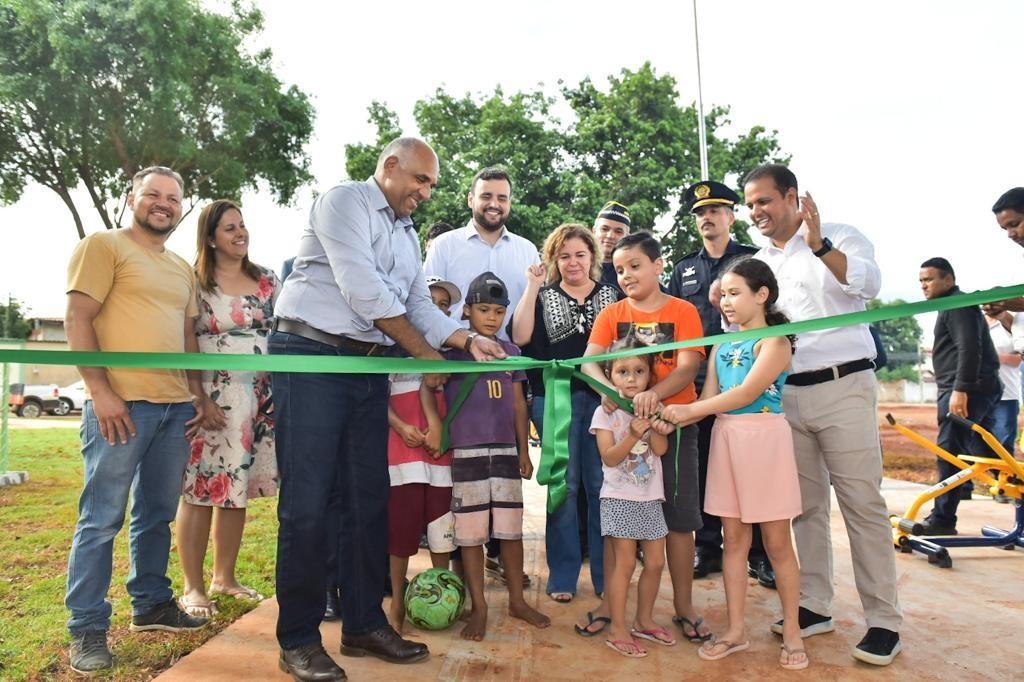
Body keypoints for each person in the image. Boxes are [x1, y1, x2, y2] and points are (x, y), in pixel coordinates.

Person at [268, 137, 507, 681]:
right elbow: (365, 293)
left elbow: (417, 301)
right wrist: (426, 358)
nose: (425, 193)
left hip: (366, 366)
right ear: (390, 166)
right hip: (311, 355)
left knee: (366, 498)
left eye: (431, 185)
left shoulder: (403, 232)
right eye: (420, 180)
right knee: (307, 504)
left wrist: (465, 342)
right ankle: (299, 638)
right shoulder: (344, 202)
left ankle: (362, 622)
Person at [745, 163, 902, 665]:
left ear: (792, 196)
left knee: (862, 505)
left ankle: (883, 620)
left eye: (764, 201)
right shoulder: (759, 261)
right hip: (787, 393)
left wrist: (818, 247)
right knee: (804, 505)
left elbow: (869, 285)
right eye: (751, 205)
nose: (757, 212)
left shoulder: (839, 236)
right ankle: (814, 604)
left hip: (844, 385)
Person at [63, 166, 215, 674]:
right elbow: (78, 318)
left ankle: (151, 604)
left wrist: (195, 393)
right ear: (132, 198)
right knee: (102, 520)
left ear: (181, 208)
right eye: (153, 194)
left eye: (173, 198)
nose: (163, 203)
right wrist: (99, 389)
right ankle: (86, 628)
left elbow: (188, 336)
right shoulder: (102, 246)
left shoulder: (180, 268)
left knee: (156, 515)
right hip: (120, 408)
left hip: (174, 411)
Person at [659, 257, 807, 670]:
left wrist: (687, 413)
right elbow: (706, 397)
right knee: (734, 540)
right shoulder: (722, 343)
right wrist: (670, 414)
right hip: (727, 440)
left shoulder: (776, 342)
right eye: (722, 294)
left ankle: (793, 632)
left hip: (764, 443)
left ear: (762, 295)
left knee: (777, 544)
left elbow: (745, 394)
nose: (725, 301)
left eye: (735, 293)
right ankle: (736, 630)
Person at [581, 231, 711, 643]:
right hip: (623, 427)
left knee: (678, 518)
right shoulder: (612, 313)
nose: (626, 275)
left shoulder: (684, 310)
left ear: (658, 265)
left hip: (674, 426)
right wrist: (611, 393)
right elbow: (589, 363)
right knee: (617, 523)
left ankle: (683, 606)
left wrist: (655, 394)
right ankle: (610, 606)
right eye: (618, 269)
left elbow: (689, 367)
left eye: (634, 266)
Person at [174, 200, 280, 618]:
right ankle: (193, 586)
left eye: (242, 225)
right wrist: (198, 396)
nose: (240, 233)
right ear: (210, 237)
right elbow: (184, 340)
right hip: (213, 401)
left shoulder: (268, 280)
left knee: (237, 489)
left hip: (260, 400)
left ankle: (225, 577)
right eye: (229, 228)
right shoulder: (194, 282)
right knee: (201, 490)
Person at [668, 180, 772, 588]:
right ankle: (708, 547)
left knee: (752, 472)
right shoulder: (683, 269)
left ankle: (760, 554)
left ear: (731, 215)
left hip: (749, 380)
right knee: (705, 470)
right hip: (698, 386)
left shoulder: (754, 260)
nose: (706, 218)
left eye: (714, 210)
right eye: (699, 213)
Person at [510, 223, 620, 603]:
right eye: (565, 255)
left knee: (601, 485)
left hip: (604, 399)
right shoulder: (542, 295)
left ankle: (608, 576)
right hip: (554, 398)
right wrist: (532, 286)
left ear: (593, 257)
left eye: (580, 254)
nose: (573, 262)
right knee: (564, 485)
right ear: (554, 259)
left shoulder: (613, 295)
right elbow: (521, 337)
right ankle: (563, 574)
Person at [442, 272, 550, 641]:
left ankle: (517, 601)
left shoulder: (513, 353)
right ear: (467, 311)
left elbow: (520, 405)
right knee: (470, 535)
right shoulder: (451, 352)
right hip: (466, 451)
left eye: (499, 311)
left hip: (505, 450)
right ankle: (480, 606)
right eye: (484, 309)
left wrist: (523, 449)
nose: (492, 317)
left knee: (510, 530)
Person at [385, 276, 461, 631]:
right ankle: (396, 606)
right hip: (403, 458)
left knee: (440, 531)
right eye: (431, 302)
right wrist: (401, 427)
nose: (439, 309)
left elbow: (438, 394)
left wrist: (437, 430)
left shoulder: (449, 356)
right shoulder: (389, 351)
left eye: (445, 305)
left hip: (440, 458)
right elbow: (379, 400)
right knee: (400, 534)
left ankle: (442, 593)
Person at [590, 338, 671, 658]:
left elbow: (662, 450)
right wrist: (634, 435)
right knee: (624, 563)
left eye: (639, 371)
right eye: (623, 371)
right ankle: (618, 628)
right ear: (610, 376)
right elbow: (609, 457)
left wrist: (655, 426)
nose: (632, 378)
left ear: (650, 375)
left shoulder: (654, 409)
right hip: (619, 497)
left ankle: (644, 619)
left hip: (651, 497)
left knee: (655, 562)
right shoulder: (604, 412)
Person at [918, 258, 1001, 534]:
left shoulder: (958, 305)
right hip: (970, 387)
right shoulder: (951, 305)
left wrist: (960, 389)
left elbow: (969, 347)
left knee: (950, 452)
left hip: (966, 389)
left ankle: (942, 520)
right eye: (921, 281)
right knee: (986, 453)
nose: (923, 286)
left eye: (929, 279)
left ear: (949, 280)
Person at [424, 167, 541, 341]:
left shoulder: (527, 250)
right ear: (470, 200)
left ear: (509, 202)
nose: (494, 204)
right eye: (486, 196)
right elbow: (426, 305)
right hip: (454, 358)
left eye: (502, 198)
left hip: (510, 361)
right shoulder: (444, 245)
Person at [983, 310, 1020, 462]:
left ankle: (1006, 482)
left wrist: (993, 357)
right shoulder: (977, 323)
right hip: (980, 394)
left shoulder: (1013, 324)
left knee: (1003, 443)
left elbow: (1018, 358)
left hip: (1006, 394)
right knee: (978, 442)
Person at [592, 201, 632, 294]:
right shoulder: (577, 267)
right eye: (605, 229)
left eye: (618, 231)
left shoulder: (637, 272)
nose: (610, 236)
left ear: (627, 237)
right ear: (594, 231)